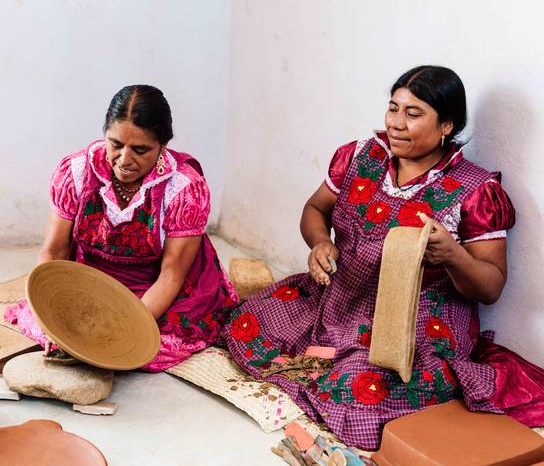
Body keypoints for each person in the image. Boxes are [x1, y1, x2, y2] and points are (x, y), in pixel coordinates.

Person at [223, 66, 544, 450]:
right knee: (248, 321)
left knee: (362, 394)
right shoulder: (361, 156)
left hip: (414, 322)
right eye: (393, 108)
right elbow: (314, 210)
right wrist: (319, 244)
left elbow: (491, 286)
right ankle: (331, 352)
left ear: (446, 125)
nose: (396, 123)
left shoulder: (475, 191)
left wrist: (454, 256)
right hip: (340, 296)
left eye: (413, 114)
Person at [6, 85, 237, 371]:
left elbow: (171, 275)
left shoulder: (183, 187)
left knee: (147, 347)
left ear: (163, 144)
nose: (125, 160)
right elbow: (53, 251)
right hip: (90, 280)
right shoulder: (76, 171)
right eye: (115, 144)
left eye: (140, 150)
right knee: (45, 324)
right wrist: (55, 309)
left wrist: (122, 328)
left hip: (154, 290)